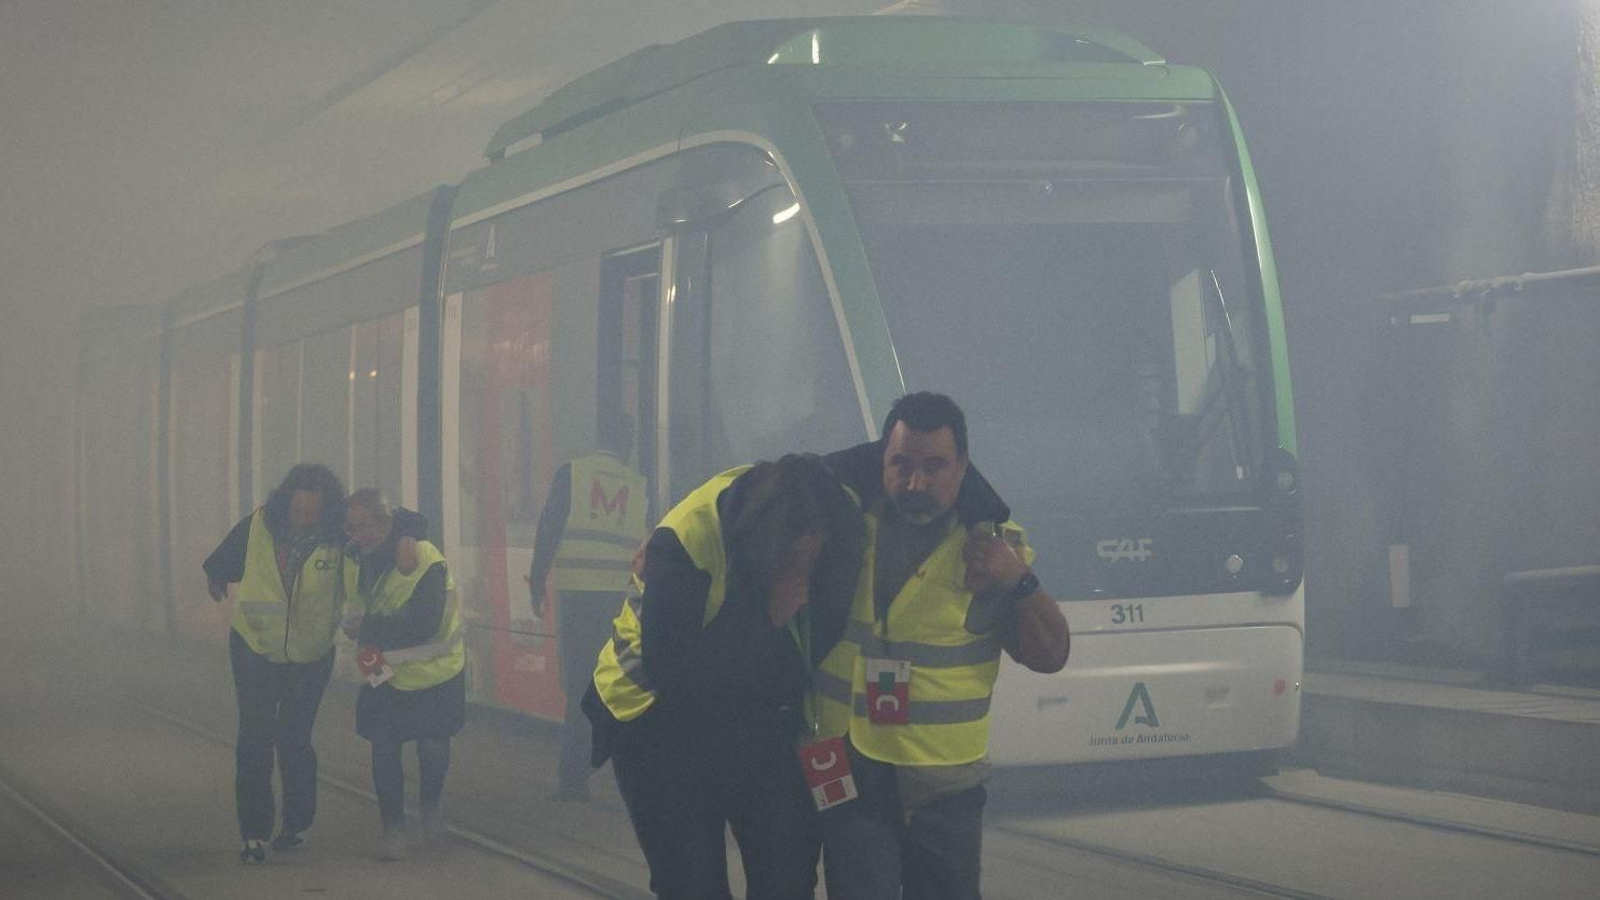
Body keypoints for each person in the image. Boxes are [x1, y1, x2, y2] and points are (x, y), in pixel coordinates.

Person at [815, 392, 1071, 900]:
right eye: (901, 465)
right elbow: (769, 487)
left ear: (963, 467)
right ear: (879, 460)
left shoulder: (993, 548)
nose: (916, 483)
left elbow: (1052, 654)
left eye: (935, 467)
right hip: (844, 768)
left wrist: (1018, 579)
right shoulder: (842, 524)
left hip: (943, 788)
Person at [584, 455, 865, 900]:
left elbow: (880, 454)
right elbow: (672, 670)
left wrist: (989, 518)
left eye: (811, 561)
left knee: (787, 871)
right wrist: (765, 617)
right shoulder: (685, 542)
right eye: (791, 563)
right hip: (656, 720)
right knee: (692, 882)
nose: (803, 576)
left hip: (756, 714)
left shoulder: (834, 505)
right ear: (764, 545)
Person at [202, 463, 347, 864]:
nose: (301, 521)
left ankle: (296, 825)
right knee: (254, 739)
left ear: (326, 512)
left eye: (310, 515)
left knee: (295, 739)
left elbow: (371, 556)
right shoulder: (259, 525)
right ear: (286, 503)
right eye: (297, 512)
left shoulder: (339, 539)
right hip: (254, 647)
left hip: (311, 654)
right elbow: (220, 562)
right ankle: (253, 833)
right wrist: (215, 579)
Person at [527, 410, 649, 801]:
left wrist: (537, 580)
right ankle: (625, 778)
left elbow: (549, 527)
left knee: (581, 687)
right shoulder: (639, 485)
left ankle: (573, 780)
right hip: (621, 600)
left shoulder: (572, 473)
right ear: (627, 441)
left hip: (578, 595)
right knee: (620, 684)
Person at [342, 489, 465, 861]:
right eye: (351, 528)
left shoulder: (424, 558)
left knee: (432, 748)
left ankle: (431, 809)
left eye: (364, 528)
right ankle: (393, 830)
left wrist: (368, 626)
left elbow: (423, 624)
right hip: (382, 669)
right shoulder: (355, 560)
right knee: (384, 747)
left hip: (435, 671)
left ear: (386, 524)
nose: (357, 536)